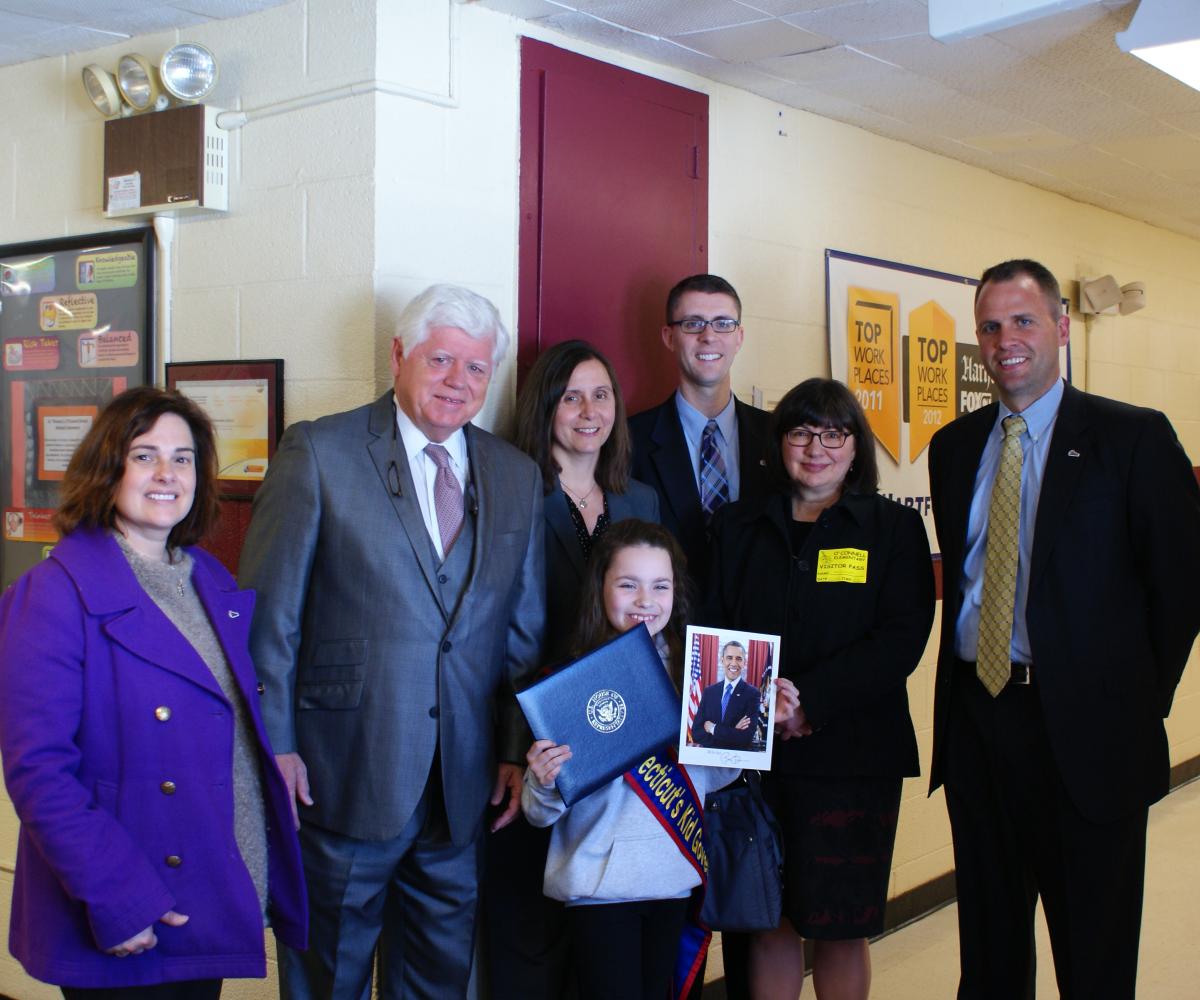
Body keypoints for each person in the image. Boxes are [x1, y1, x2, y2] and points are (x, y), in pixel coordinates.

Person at [238, 284, 545, 999]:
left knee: (439, 978)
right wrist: (274, 742)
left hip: (462, 785)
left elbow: (522, 632)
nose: (458, 383)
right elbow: (270, 617)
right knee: (329, 974)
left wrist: (508, 747)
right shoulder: (319, 451)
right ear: (399, 354)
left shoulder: (515, 474)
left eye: (476, 369)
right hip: (341, 771)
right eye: (441, 360)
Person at [927, 259, 1200, 1000]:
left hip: (1088, 736)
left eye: (1022, 320)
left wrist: (1136, 700)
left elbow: (1181, 587)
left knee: (1094, 955)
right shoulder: (953, 449)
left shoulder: (1132, 439)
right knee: (989, 952)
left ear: (1060, 327)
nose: (1005, 339)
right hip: (980, 725)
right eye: (989, 325)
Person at [0, 386, 307, 998]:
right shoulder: (52, 595)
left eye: (184, 457)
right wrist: (118, 896)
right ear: (107, 468)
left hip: (206, 888)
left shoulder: (207, 579)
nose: (168, 473)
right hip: (134, 903)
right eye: (145, 456)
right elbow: (38, 773)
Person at [708, 378, 935, 1000]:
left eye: (833, 434)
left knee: (841, 925)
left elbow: (900, 639)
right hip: (756, 756)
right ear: (779, 443)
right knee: (769, 921)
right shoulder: (737, 527)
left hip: (852, 758)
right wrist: (763, 707)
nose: (816, 448)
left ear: (855, 446)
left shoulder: (891, 529)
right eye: (801, 432)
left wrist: (810, 698)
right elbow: (715, 626)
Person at [523, 519, 798, 1000]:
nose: (645, 600)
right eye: (628, 584)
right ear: (600, 587)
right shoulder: (567, 682)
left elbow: (712, 778)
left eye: (660, 586)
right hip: (599, 890)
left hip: (673, 880)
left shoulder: (698, 673)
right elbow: (540, 811)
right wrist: (542, 782)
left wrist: (759, 723)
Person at [483, 339, 660, 999]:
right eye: (571, 396)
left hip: (620, 741)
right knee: (530, 923)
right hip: (539, 742)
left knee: (601, 933)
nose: (589, 410)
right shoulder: (513, 490)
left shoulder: (639, 496)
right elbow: (500, 636)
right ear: (544, 406)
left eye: (602, 394)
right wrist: (509, 747)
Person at [629, 274, 770, 591]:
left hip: (759, 630)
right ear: (669, 336)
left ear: (739, 337)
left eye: (723, 323)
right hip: (667, 629)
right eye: (693, 324)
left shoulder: (779, 437)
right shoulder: (629, 440)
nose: (709, 336)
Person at [690, 640, 760, 749]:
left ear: (744, 663)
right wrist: (733, 733)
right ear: (722, 660)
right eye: (729, 658)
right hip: (708, 759)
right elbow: (696, 733)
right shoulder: (709, 692)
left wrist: (712, 728)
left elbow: (746, 737)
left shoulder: (752, 694)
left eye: (739, 659)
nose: (733, 663)